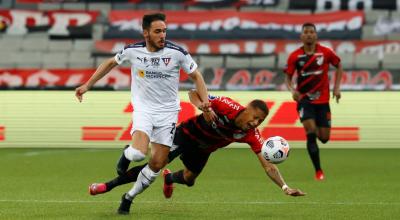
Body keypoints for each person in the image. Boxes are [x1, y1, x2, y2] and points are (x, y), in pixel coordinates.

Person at [75, 13, 216, 214]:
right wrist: (88, 84)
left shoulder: (177, 53)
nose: (162, 35)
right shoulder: (133, 51)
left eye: (164, 31)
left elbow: (197, 77)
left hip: (168, 114)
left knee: (157, 164)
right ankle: (127, 153)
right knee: (138, 153)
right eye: (158, 31)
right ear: (146, 33)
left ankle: (128, 198)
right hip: (144, 110)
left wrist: (206, 103)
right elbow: (110, 63)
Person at [88, 90, 305, 214]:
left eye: (260, 121)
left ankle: (170, 179)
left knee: (190, 180)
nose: (255, 123)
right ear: (245, 109)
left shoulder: (251, 135)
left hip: (203, 150)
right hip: (185, 135)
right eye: (254, 117)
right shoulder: (225, 104)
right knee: (155, 163)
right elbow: (193, 93)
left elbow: (268, 165)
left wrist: (285, 187)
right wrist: (204, 107)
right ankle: (111, 188)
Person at [284, 22, 343, 181]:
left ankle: (316, 130)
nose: (309, 34)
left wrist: (336, 88)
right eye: (306, 32)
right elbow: (288, 78)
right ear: (301, 36)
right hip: (305, 100)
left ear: (316, 35)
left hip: (323, 101)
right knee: (310, 132)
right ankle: (318, 171)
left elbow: (339, 65)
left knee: (324, 138)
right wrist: (292, 90)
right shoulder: (294, 56)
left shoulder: (326, 52)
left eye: (312, 32)